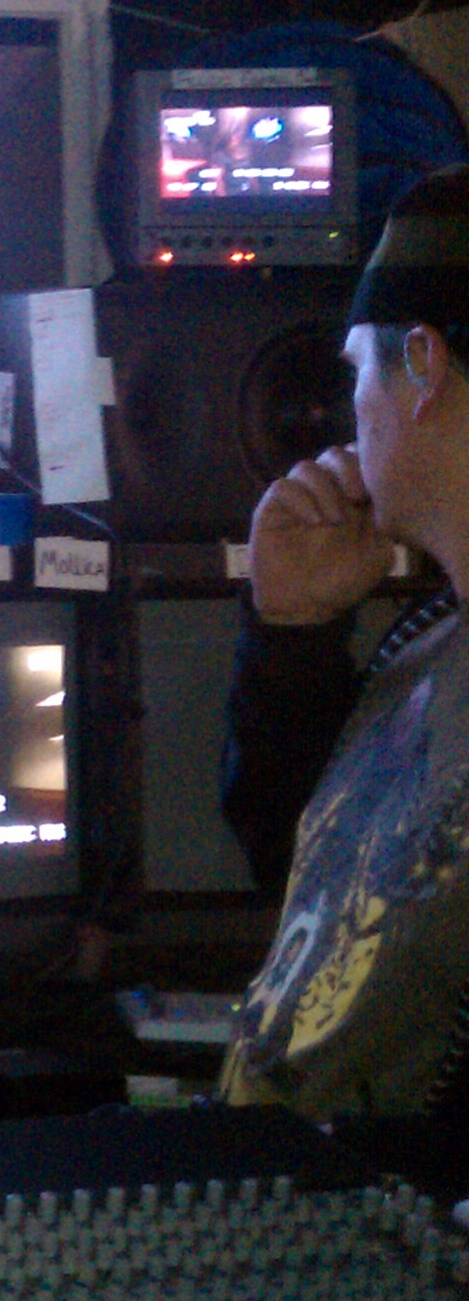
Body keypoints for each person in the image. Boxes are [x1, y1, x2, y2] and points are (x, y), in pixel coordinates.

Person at [220, 165, 469, 1125]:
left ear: (425, 366)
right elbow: (307, 883)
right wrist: (292, 635)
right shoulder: (433, 637)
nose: (348, 409)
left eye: (358, 370)